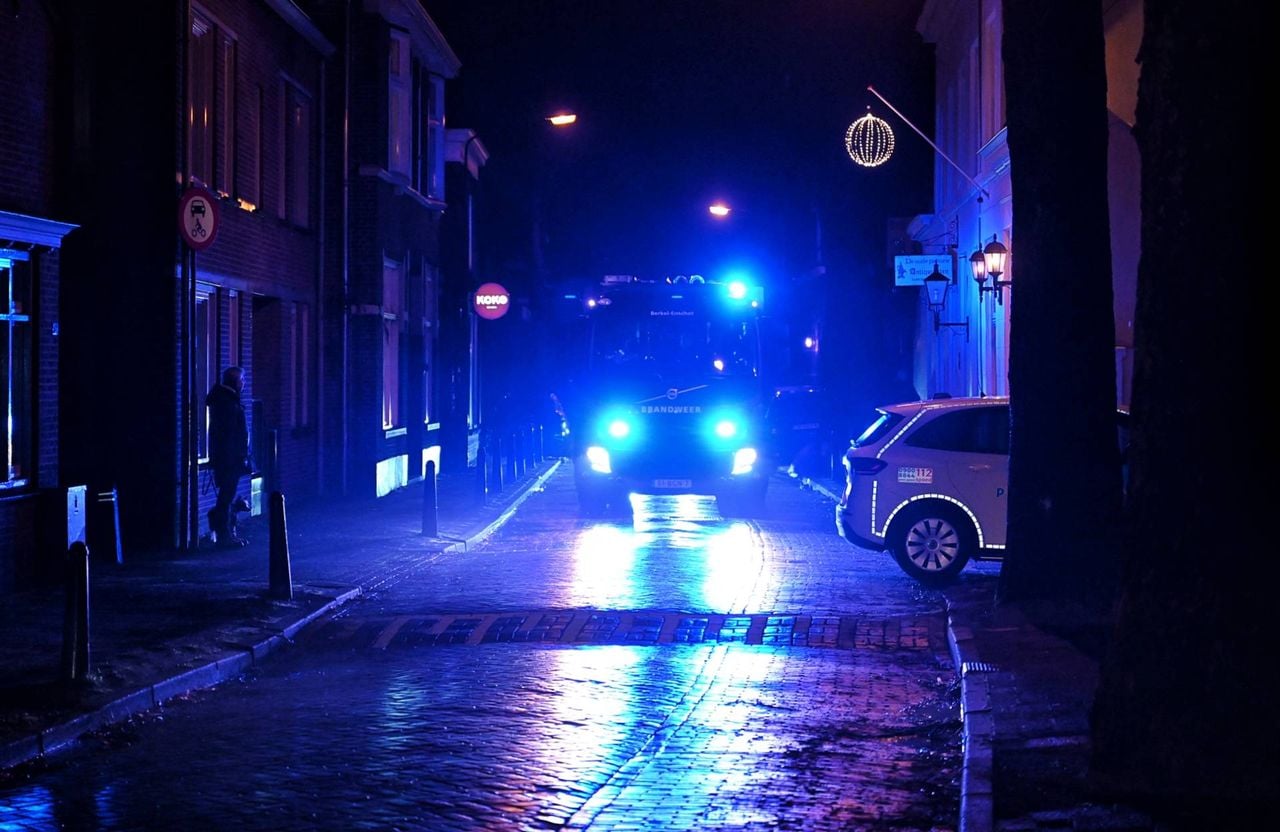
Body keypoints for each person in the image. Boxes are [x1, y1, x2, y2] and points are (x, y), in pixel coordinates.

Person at [206, 366, 252, 548]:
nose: (244, 384)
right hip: (229, 459)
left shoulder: (225, 400)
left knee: (226, 495)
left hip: (227, 457)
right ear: (235, 381)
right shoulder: (228, 403)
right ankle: (224, 535)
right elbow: (231, 433)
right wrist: (240, 455)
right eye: (242, 380)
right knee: (226, 495)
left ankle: (223, 531)